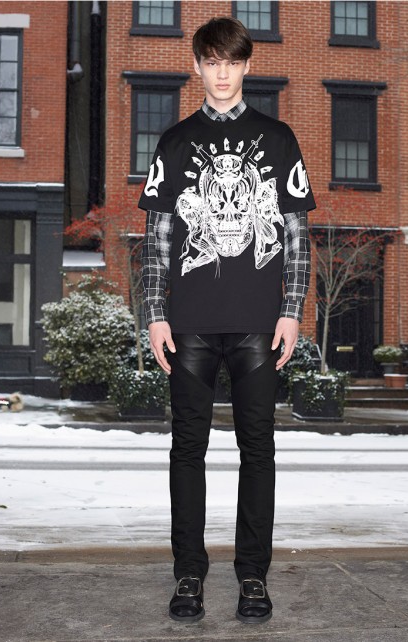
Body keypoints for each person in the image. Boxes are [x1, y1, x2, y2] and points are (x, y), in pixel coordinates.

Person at [139, 16, 315, 624]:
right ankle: (189, 573)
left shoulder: (279, 137)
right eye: (211, 61)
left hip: (257, 325)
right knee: (187, 449)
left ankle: (253, 576)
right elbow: (157, 239)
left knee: (257, 449)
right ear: (196, 66)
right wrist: (155, 314)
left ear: (246, 66)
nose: (221, 73)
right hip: (188, 322)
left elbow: (296, 235)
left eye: (231, 62)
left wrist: (292, 310)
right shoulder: (175, 141)